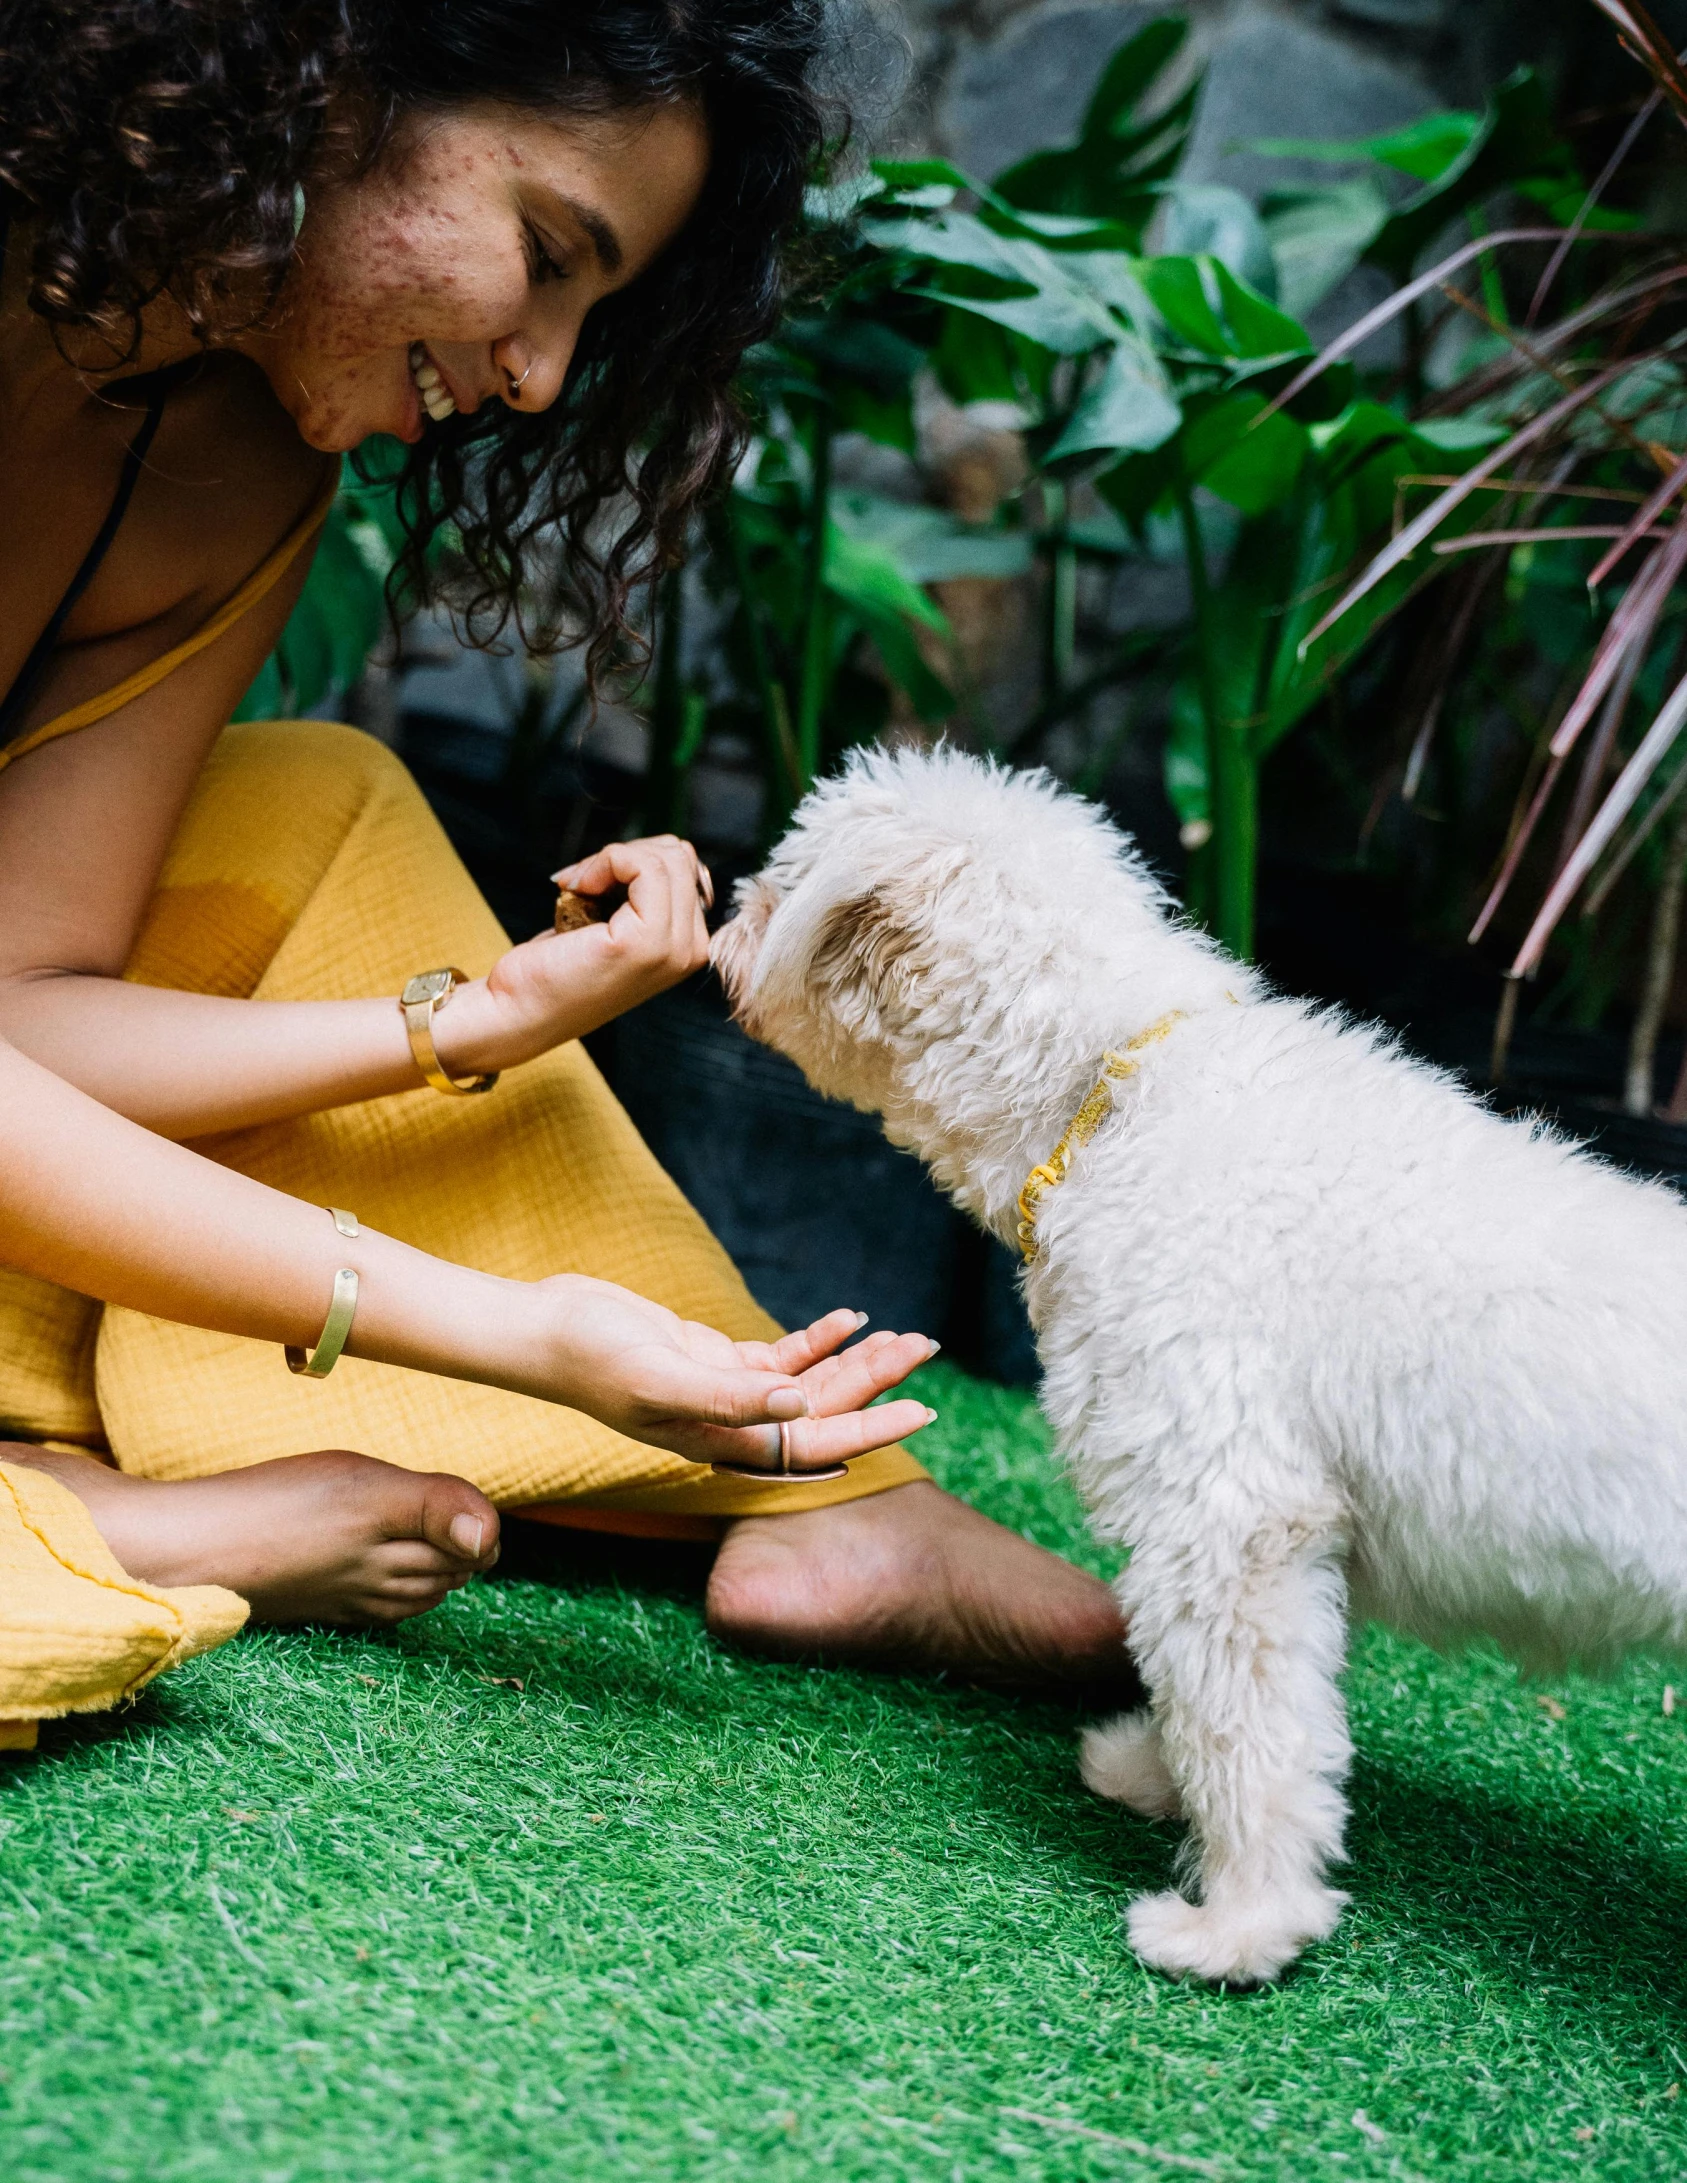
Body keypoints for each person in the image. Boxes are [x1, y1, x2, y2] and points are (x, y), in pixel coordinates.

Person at [0, 0, 1133, 1749]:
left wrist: (459, 1021)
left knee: (316, 805)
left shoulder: (227, 465)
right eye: (543, 254)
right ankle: (88, 1519)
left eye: (587, 314)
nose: (534, 371)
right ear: (320, 77)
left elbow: (24, 1010)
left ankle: (797, 1491)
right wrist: (505, 1330)